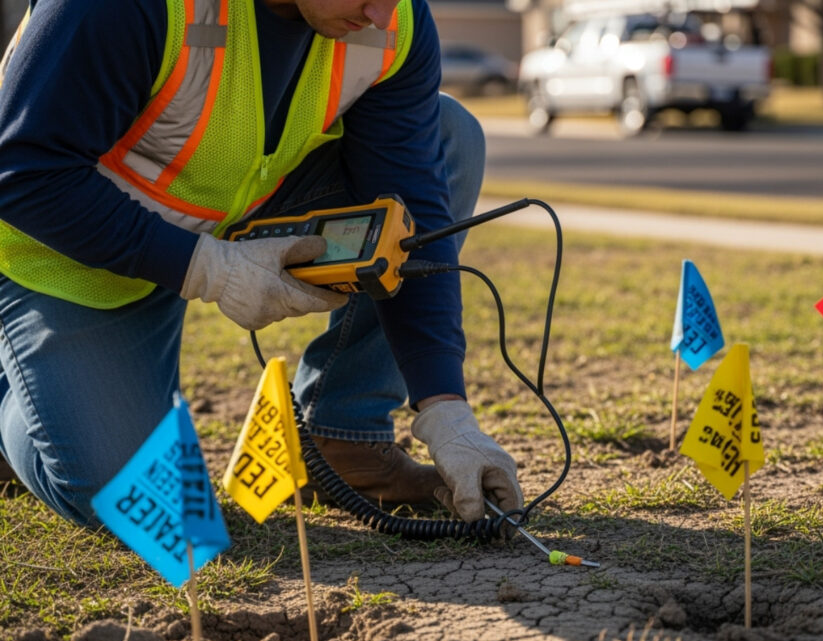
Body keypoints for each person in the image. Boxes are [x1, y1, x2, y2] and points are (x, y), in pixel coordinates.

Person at [0, 0, 523, 528]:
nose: (382, 13)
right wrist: (208, 268)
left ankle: (341, 432)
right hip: (62, 247)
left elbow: (413, 209)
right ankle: (17, 390)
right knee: (153, 512)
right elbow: (22, 170)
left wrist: (444, 407)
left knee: (449, 136)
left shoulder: (394, 20)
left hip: (239, 202)